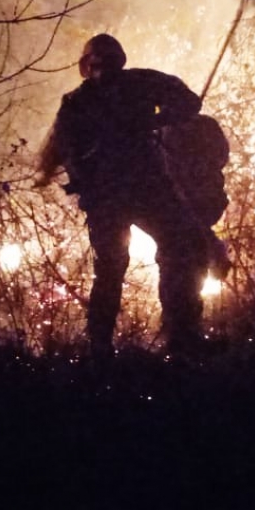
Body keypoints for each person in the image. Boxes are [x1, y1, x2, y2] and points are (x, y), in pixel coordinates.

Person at [35, 34, 208, 357]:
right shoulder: (77, 104)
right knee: (113, 268)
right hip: (112, 196)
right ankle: (102, 348)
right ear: (87, 67)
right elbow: (64, 152)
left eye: (109, 62)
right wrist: (83, 180)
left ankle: (182, 334)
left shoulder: (139, 83)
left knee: (184, 245)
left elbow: (189, 102)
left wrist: (157, 119)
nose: (104, 71)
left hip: (146, 188)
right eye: (98, 64)